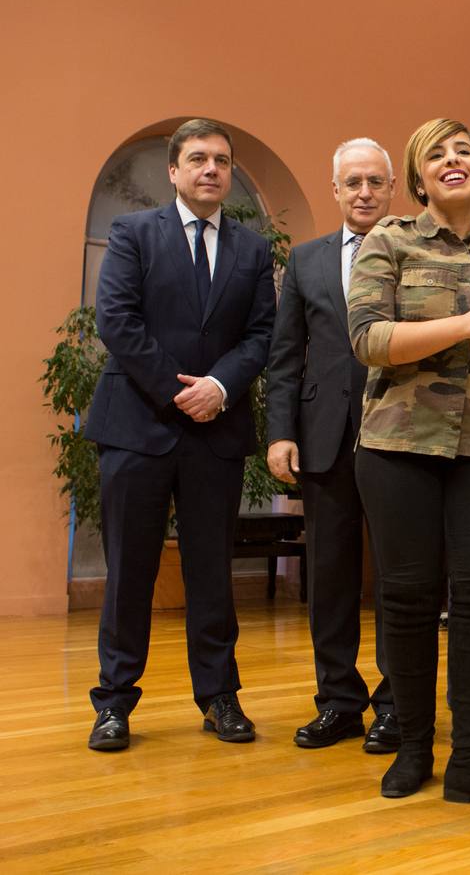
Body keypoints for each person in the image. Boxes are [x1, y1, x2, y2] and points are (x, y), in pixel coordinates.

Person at [348, 118, 470, 812]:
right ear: (419, 177)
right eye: (438, 154)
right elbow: (369, 340)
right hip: (399, 447)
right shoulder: (387, 241)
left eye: (464, 151)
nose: (453, 160)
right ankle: (410, 748)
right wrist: (465, 324)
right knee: (406, 597)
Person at [85, 118, 276, 750]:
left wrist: (218, 388)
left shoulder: (252, 250)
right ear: (174, 171)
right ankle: (113, 702)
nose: (211, 169)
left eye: (221, 160)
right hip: (138, 427)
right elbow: (116, 319)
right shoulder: (134, 232)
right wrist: (178, 390)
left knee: (211, 573)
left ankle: (219, 696)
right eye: (198, 159)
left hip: (215, 434)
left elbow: (261, 335)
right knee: (130, 573)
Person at [265, 138, 399, 753]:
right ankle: (338, 702)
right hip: (323, 440)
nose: (365, 192)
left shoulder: (417, 253)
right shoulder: (307, 260)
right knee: (331, 577)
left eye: (375, 181)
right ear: (336, 190)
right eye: (354, 183)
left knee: (403, 576)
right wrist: (281, 432)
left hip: (401, 433)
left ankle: (397, 703)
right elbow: (286, 355)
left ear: (392, 188)